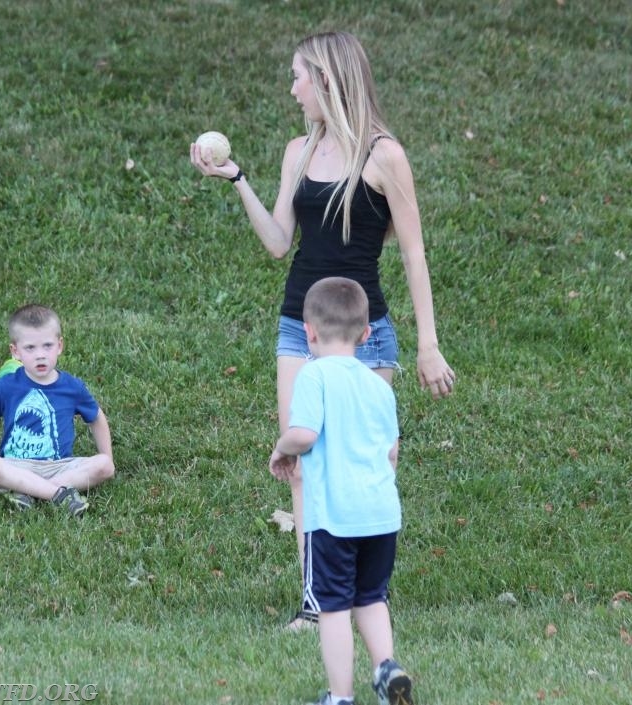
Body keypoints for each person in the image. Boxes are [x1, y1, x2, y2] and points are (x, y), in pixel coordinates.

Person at [190, 30, 455, 629]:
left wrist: (428, 345)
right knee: (306, 459)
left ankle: (367, 597)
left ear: (327, 81)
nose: (292, 89)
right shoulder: (299, 151)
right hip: (299, 329)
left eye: (298, 77)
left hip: (368, 335)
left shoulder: (385, 156)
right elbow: (280, 243)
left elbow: (414, 255)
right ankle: (317, 604)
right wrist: (237, 180)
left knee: (367, 463)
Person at [269, 277, 413, 705]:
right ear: (366, 334)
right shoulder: (377, 385)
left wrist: (281, 448)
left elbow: (305, 434)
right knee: (371, 597)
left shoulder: (314, 375)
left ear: (309, 332)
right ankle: (387, 667)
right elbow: (391, 452)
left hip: (334, 516)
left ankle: (340, 696)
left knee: (332, 608)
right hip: (381, 513)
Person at [0, 304, 115, 516]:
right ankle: (59, 495)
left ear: (59, 346)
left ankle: (28, 490)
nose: (40, 355)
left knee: (105, 465)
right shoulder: (5, 387)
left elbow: (96, 418)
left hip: (60, 466)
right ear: (16, 352)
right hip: (15, 466)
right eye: (30, 348)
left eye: (47, 346)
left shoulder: (72, 387)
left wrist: (108, 456)